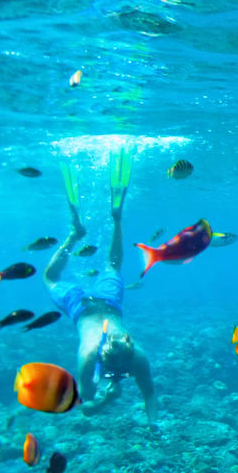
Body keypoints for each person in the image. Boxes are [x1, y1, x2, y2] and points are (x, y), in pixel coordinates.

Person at [43, 149, 158, 423]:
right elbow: (90, 407)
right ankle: (109, 221)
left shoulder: (109, 356)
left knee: (103, 268)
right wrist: (107, 399)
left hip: (104, 303)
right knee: (101, 269)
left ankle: (85, 231)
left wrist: (151, 424)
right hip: (83, 307)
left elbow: (86, 402)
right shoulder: (99, 356)